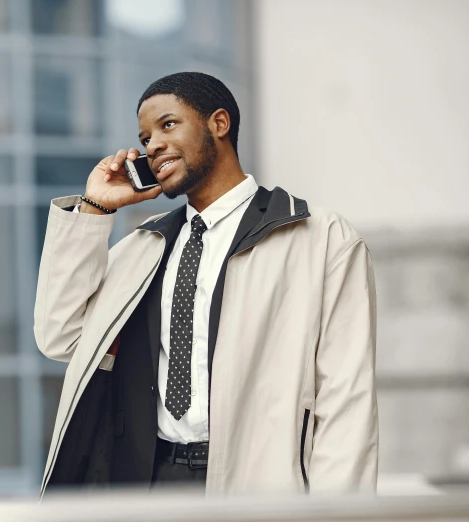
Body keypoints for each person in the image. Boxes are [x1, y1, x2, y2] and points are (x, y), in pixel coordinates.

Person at [34, 72, 378, 496]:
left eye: (168, 124)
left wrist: (338, 512)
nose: (152, 145)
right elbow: (61, 336)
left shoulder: (321, 239)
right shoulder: (143, 248)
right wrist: (94, 210)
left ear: (219, 124)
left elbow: (346, 399)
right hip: (149, 486)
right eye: (144, 137)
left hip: (258, 489)